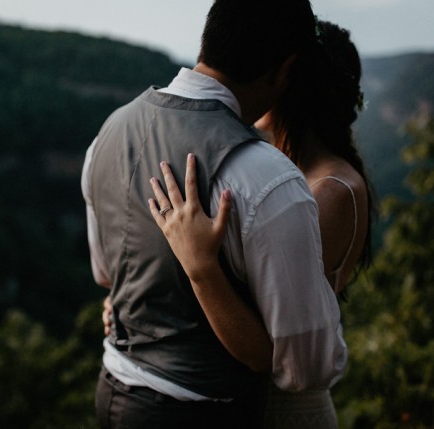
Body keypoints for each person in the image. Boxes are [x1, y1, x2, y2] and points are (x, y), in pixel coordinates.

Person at [82, 1, 347, 428]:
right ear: (286, 69)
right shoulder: (266, 178)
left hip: (112, 392)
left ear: (210, 40)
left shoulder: (106, 134)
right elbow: (304, 367)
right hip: (199, 412)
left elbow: (106, 274)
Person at [142, 20, 375, 428]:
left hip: (285, 405)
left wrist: (197, 265)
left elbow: (262, 320)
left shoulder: (332, 190)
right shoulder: (284, 169)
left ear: (291, 84)